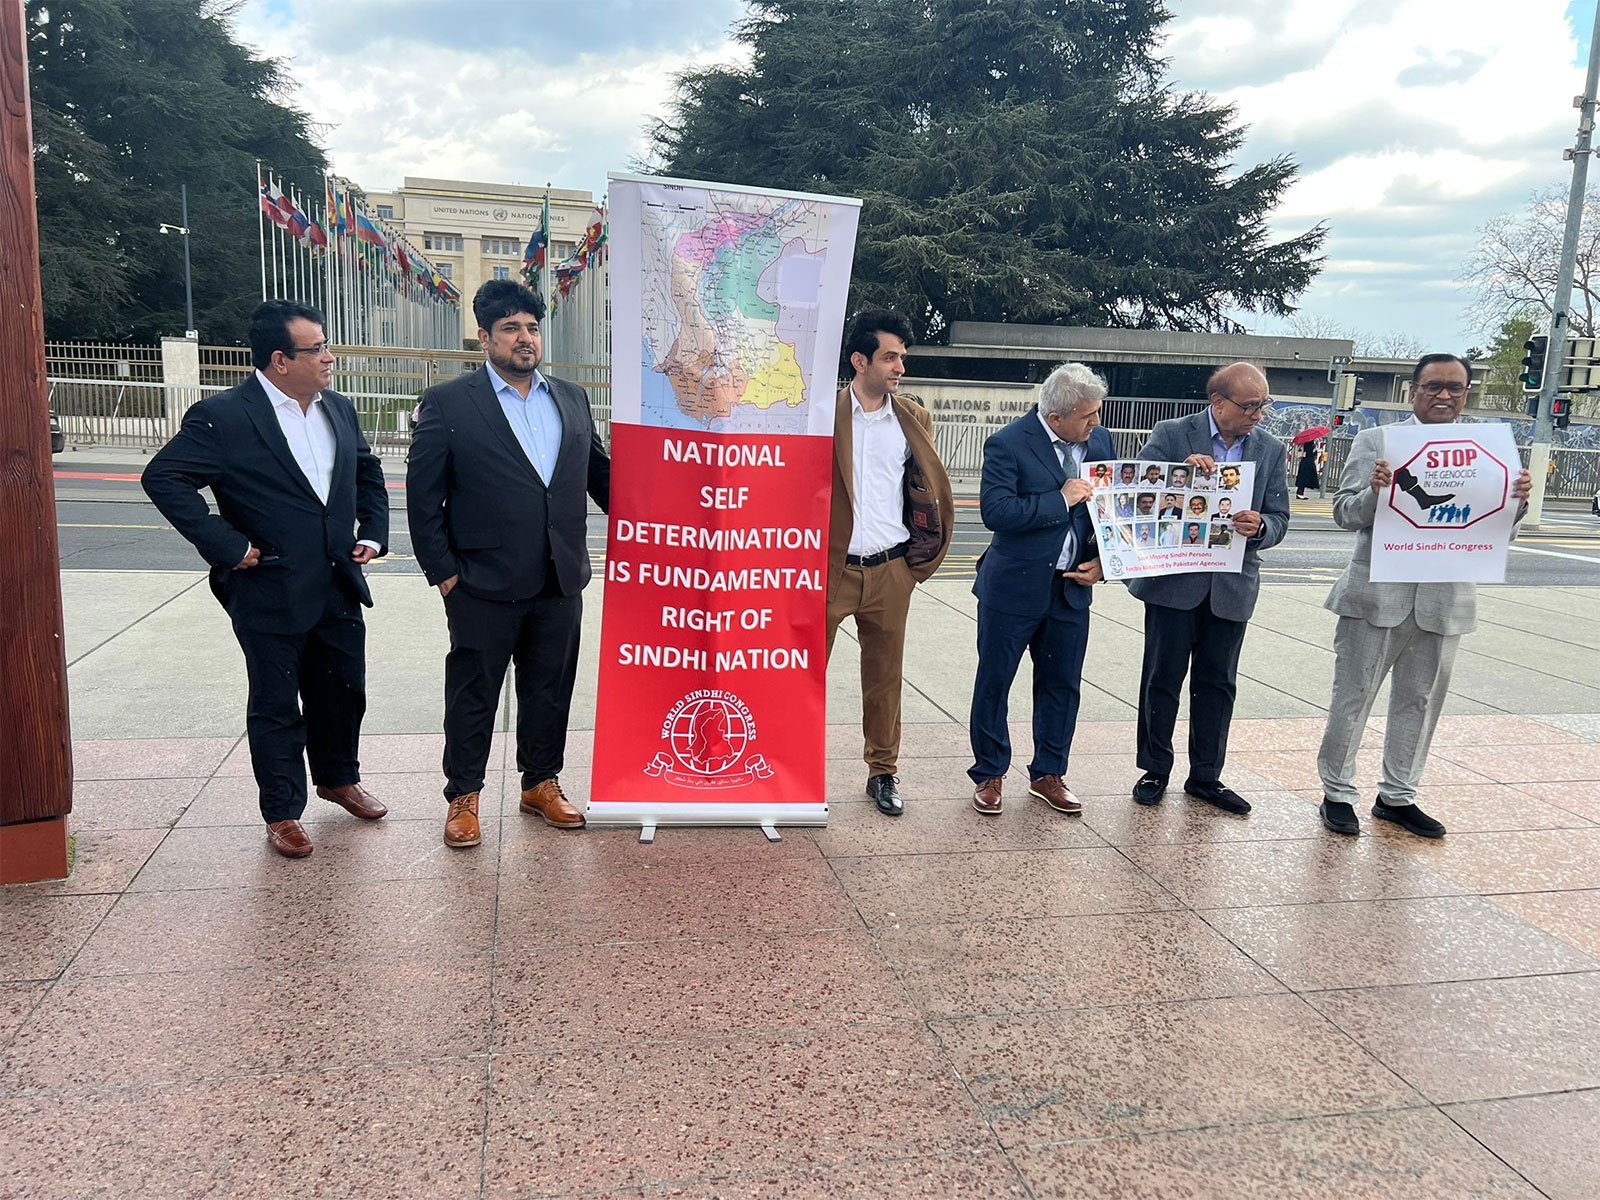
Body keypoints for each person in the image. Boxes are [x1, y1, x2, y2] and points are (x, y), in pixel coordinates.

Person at [142, 301, 389, 859]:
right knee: (278, 702)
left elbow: (366, 470)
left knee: (342, 692)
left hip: (337, 582)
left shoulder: (338, 409)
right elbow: (165, 477)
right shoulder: (225, 416)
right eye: (317, 349)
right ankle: (282, 811)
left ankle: (337, 778)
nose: (329, 358)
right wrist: (227, 545)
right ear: (280, 360)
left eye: (327, 345)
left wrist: (372, 532)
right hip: (268, 585)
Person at [407, 280, 611, 849]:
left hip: (559, 576)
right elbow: (424, 499)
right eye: (511, 329)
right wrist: (443, 572)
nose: (525, 339)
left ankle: (540, 783)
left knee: (550, 688)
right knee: (474, 692)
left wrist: (669, 508)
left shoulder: (570, 398)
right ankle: (463, 797)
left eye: (532, 328)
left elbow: (600, 476)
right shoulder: (449, 403)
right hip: (480, 582)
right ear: (485, 337)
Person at [1316, 354, 1532, 838]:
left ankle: (1398, 796)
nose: (1445, 396)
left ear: (1466, 394)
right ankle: (1337, 792)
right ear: (1412, 390)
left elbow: (1497, 531)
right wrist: (1376, 492)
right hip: (1375, 595)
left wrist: (1516, 503)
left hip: (1445, 598)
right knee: (1353, 697)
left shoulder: (1488, 449)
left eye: (1456, 388)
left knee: (1421, 700)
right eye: (1434, 386)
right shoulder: (1378, 442)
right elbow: (1344, 514)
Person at [1128, 362, 1290, 814]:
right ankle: (1154, 767)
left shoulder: (1271, 450)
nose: (1258, 414)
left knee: (1217, 683)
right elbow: (1136, 490)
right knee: (1162, 678)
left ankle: (1206, 776)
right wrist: (1177, 474)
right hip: (1175, 580)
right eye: (1250, 405)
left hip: (1232, 585)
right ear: (1217, 403)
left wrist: (1261, 527)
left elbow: (1281, 518)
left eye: (1264, 404)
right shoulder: (1172, 433)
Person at [969, 363, 1115, 816]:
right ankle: (990, 772)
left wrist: (1104, 565)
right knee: (995, 681)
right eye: (1087, 416)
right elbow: (997, 512)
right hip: (1013, 589)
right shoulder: (1008, 443)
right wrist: (1060, 500)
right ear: (1056, 417)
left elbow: (1114, 507)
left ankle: (1049, 773)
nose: (1096, 423)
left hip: (1070, 589)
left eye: (1097, 413)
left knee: (1062, 684)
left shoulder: (1101, 440)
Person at [826, 309, 954, 816]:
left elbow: (921, 489)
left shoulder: (912, 418)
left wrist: (914, 565)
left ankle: (883, 772)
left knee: (885, 679)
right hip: (829, 570)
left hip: (891, 569)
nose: (901, 366)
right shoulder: (820, 413)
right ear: (860, 360)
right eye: (890, 356)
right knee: (805, 674)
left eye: (903, 356)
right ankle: (787, 765)